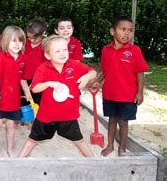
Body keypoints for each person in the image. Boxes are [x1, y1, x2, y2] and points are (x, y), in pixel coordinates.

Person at [19, 35, 96, 158]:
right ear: (48, 55)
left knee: (79, 141)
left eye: (65, 49)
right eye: (57, 51)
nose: (62, 53)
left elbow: (93, 72)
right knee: (32, 140)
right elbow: (34, 88)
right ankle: (18, 162)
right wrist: (49, 83)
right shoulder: (43, 68)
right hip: (46, 116)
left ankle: (94, 164)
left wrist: (87, 77)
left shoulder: (74, 65)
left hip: (69, 116)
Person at [94, 15, 149, 157]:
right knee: (111, 120)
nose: (127, 33)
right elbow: (106, 70)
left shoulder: (134, 50)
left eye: (130, 30)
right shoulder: (106, 50)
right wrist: (98, 82)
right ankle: (110, 145)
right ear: (112, 31)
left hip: (127, 95)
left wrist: (140, 93)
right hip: (110, 94)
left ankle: (122, 148)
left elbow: (140, 73)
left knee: (123, 122)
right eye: (123, 29)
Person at [0, 26, 31, 157]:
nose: (17, 44)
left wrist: (27, 91)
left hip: (14, 99)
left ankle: (9, 149)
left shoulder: (23, 59)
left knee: (11, 126)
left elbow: (23, 79)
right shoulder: (0, 57)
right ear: (6, 41)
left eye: (20, 41)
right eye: (14, 41)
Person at [22, 18, 47, 107]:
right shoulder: (24, 43)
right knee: (24, 101)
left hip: (39, 79)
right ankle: (25, 120)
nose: (32, 40)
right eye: (29, 37)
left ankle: (36, 119)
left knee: (38, 101)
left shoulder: (45, 45)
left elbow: (46, 64)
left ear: (43, 34)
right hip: (24, 78)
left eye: (35, 38)